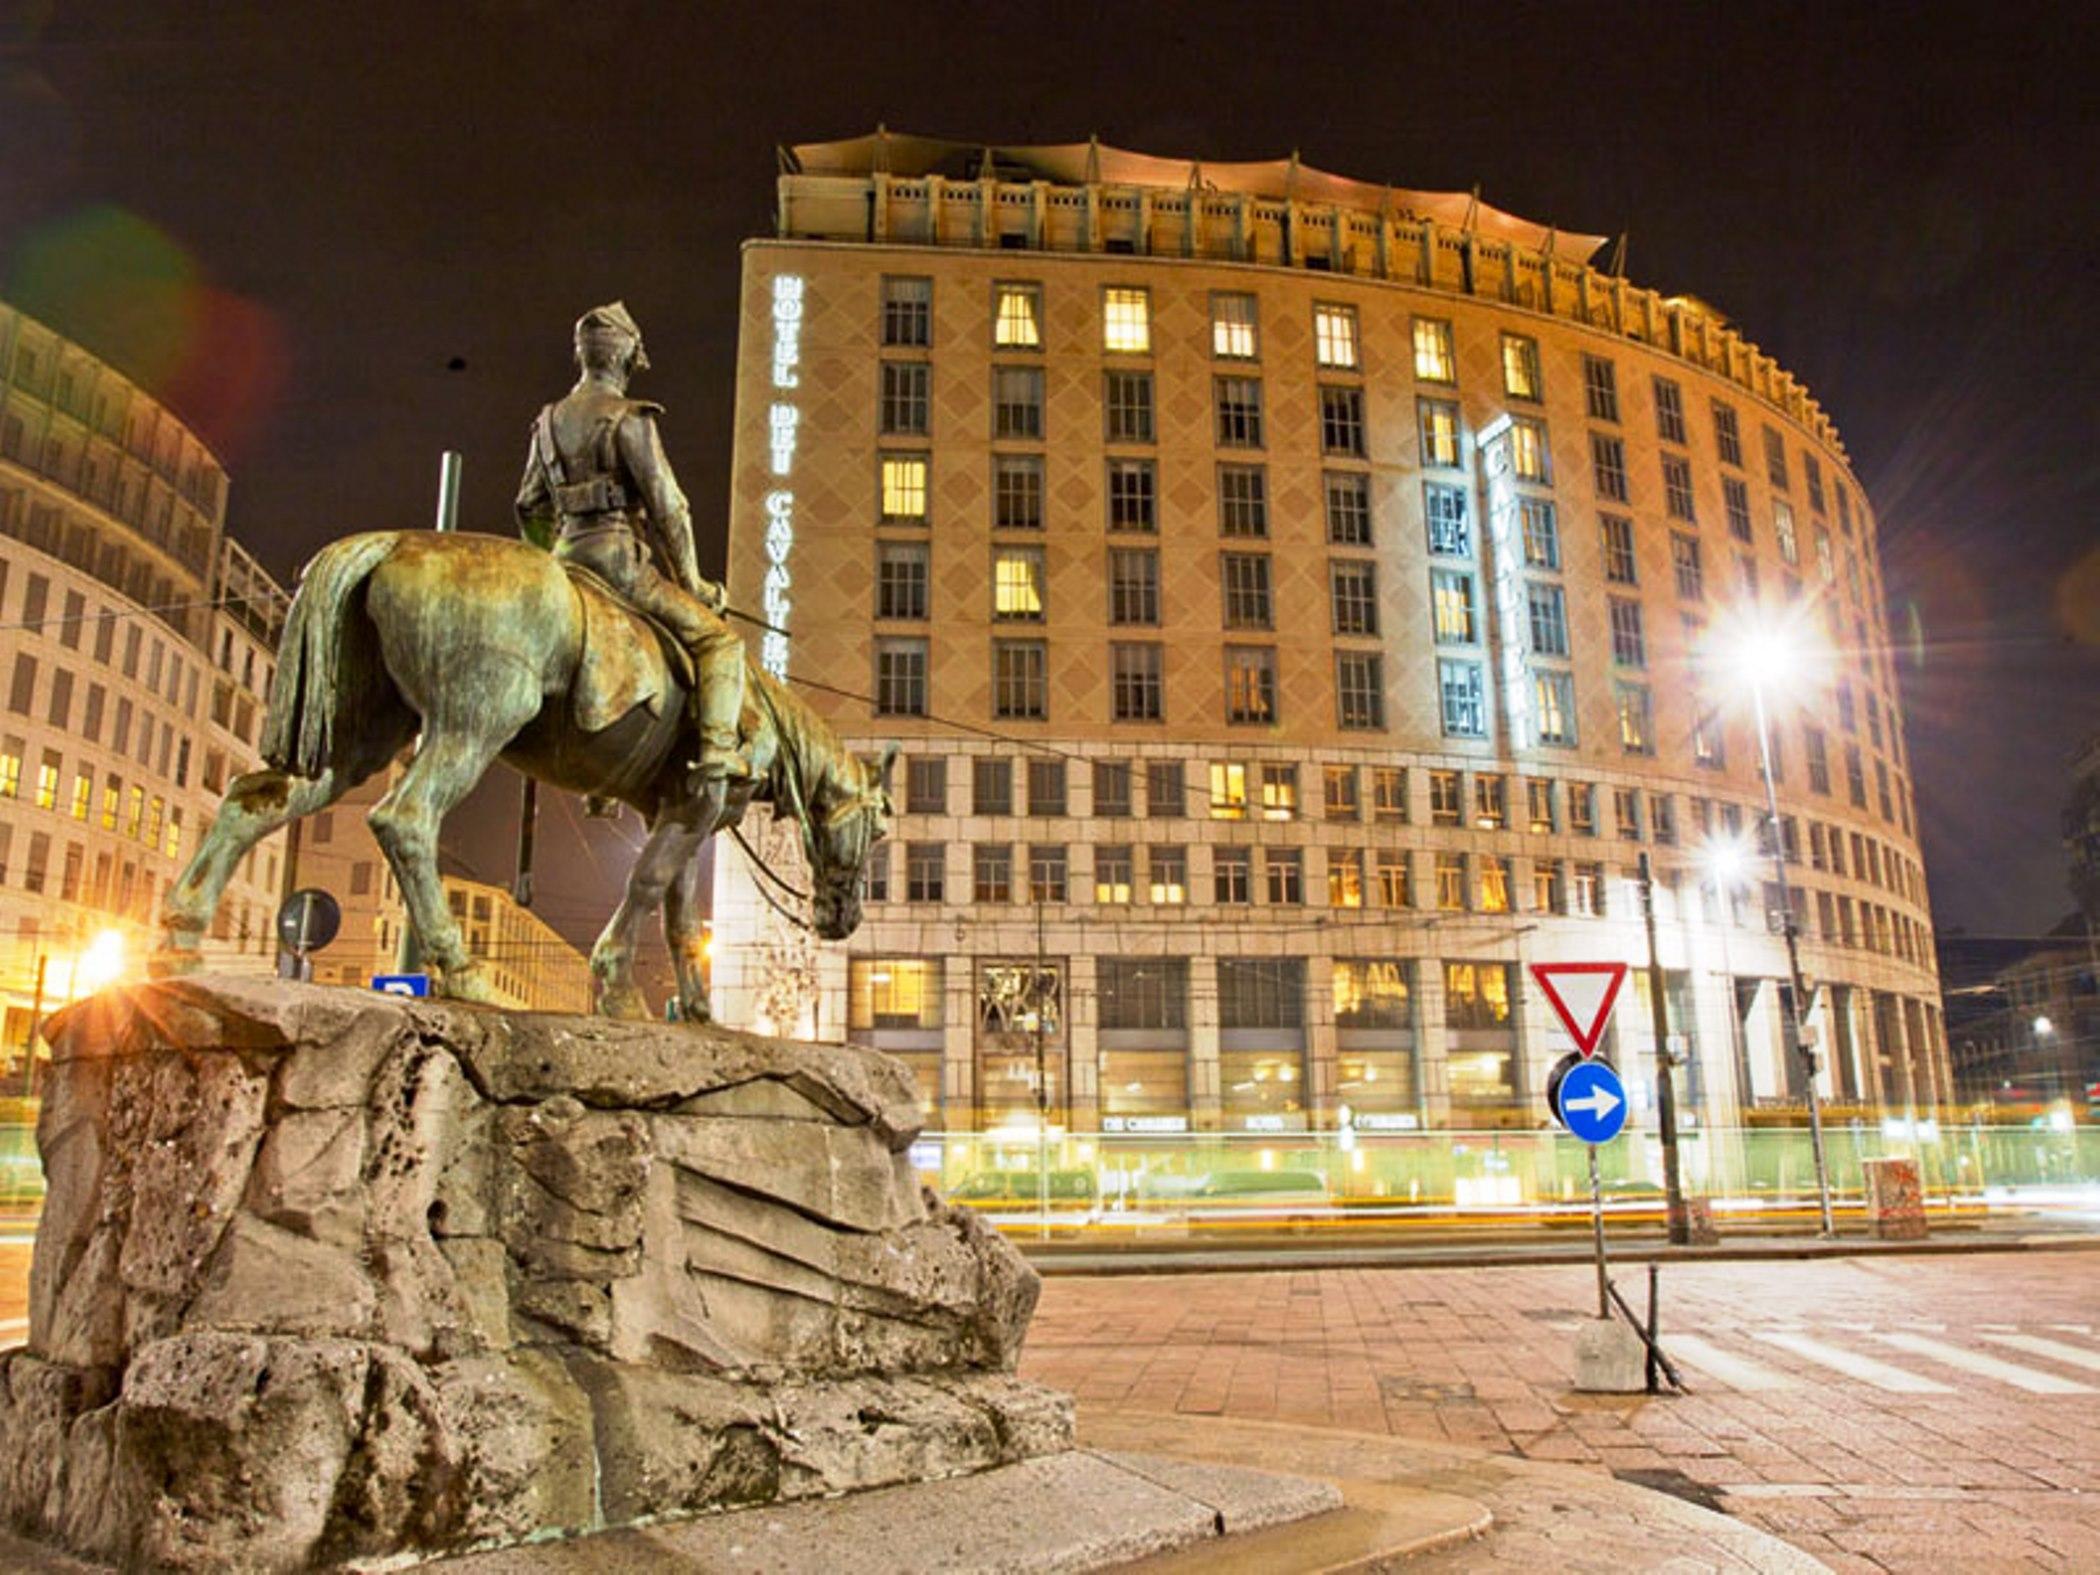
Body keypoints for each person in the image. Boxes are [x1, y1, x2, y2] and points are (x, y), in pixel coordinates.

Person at [515, 301, 749, 790]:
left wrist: (544, 569)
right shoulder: (629, 419)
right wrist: (694, 584)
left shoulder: (548, 422)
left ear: (583, 357)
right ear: (625, 359)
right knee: (721, 643)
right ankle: (717, 750)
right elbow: (670, 509)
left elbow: (530, 505)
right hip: (618, 566)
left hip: (564, 562)